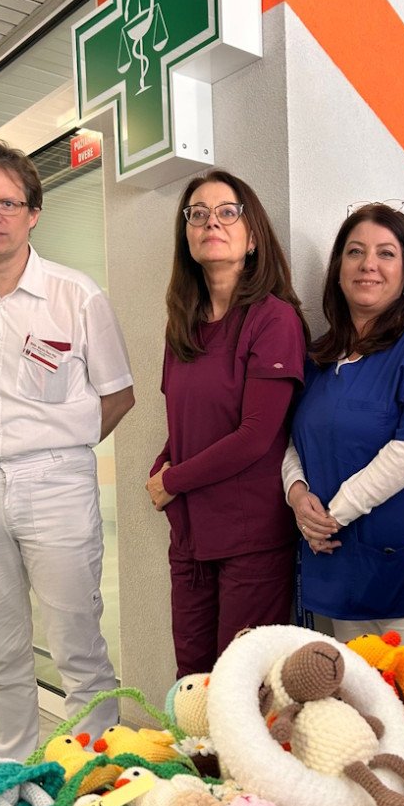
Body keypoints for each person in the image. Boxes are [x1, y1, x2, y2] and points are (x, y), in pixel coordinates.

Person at [0, 139, 135, 761]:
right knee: (0, 650)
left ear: (34, 212)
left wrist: (60, 445)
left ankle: (97, 771)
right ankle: (11, 769)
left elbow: (119, 394)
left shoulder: (75, 295)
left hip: (55, 483)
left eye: (8, 203)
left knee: (78, 647)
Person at [284, 203, 404, 648]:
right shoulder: (319, 355)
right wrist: (297, 494)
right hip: (337, 570)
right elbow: (292, 440)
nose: (368, 264)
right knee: (351, 691)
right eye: (355, 251)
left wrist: (332, 515)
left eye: (386, 253)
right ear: (338, 269)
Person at [145, 170, 308, 676]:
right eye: (197, 214)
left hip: (250, 540)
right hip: (190, 538)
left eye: (227, 212)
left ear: (252, 236)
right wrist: (161, 465)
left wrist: (173, 479)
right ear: (187, 237)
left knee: (240, 686)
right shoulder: (183, 326)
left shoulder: (273, 319)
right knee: (192, 684)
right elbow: (185, 423)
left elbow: (255, 436)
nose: (210, 223)